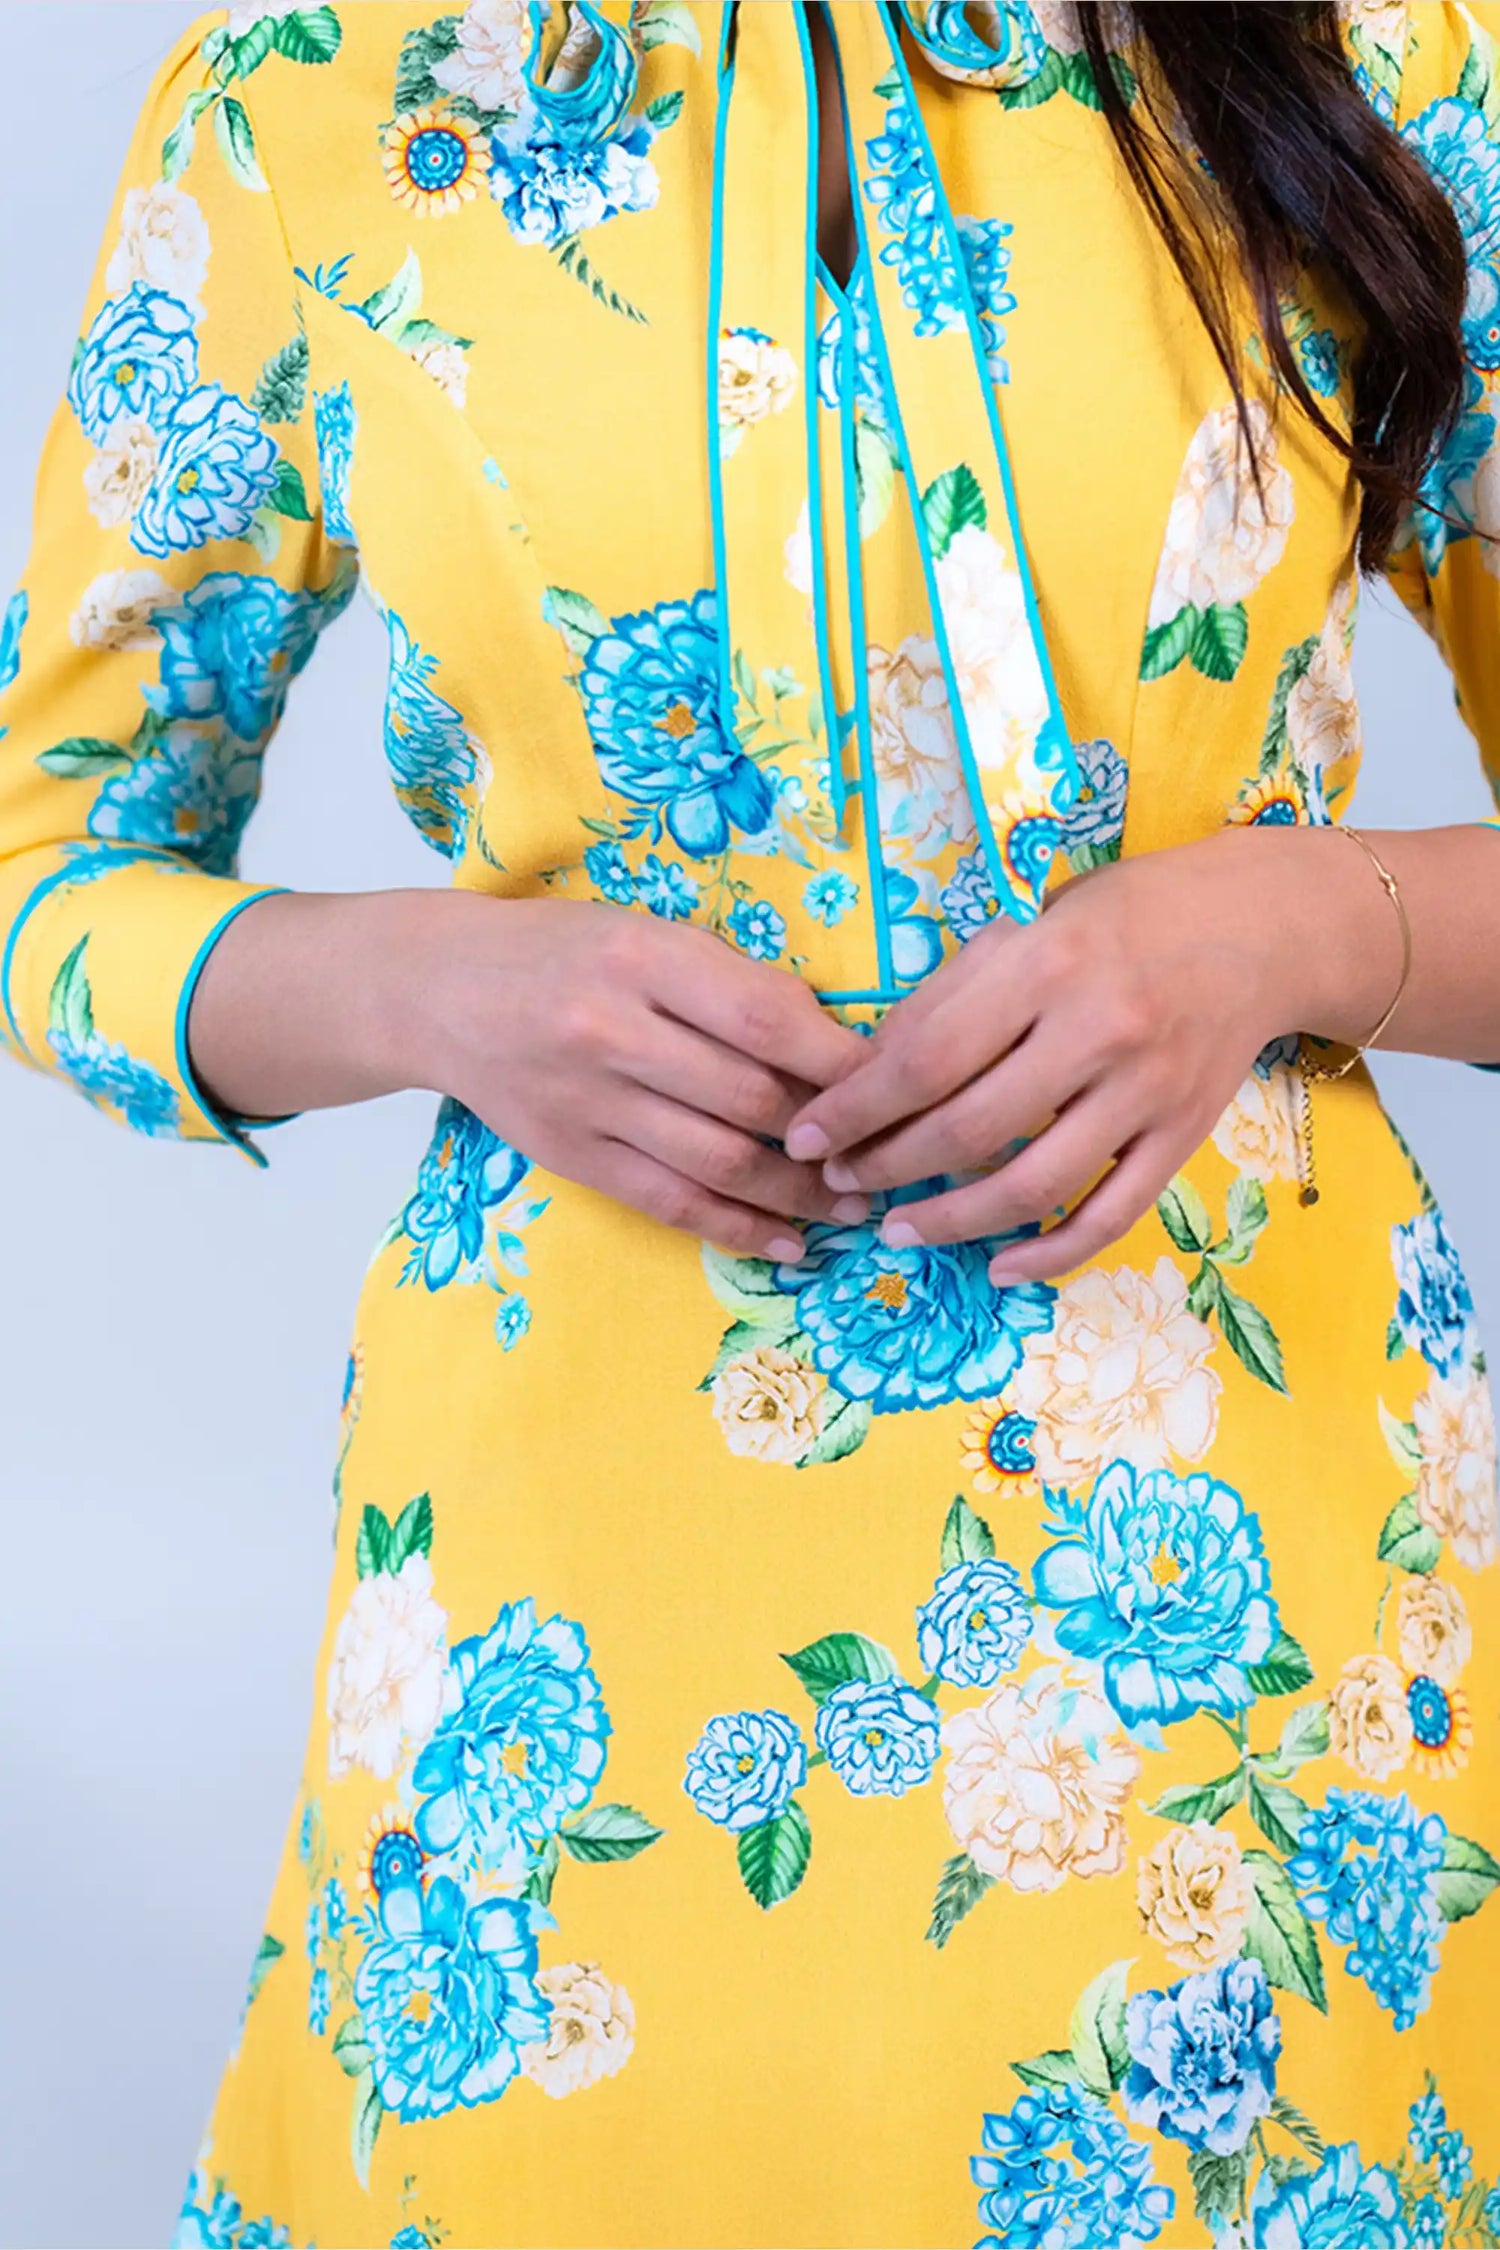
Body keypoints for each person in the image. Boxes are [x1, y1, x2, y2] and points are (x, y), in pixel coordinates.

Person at [1, 0, 1499, 2242]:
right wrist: (431, 984)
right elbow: (38, 865)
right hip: (558, 1673)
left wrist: (1299, 923)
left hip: (1247, 1649)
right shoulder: (320, 91)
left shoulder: (1392, 55)